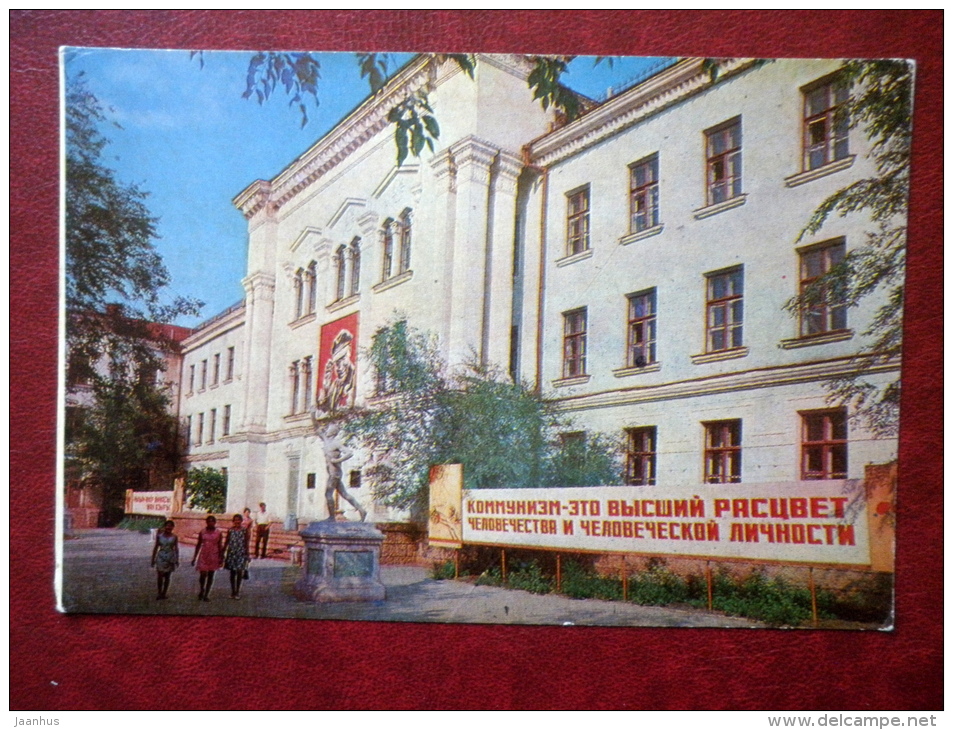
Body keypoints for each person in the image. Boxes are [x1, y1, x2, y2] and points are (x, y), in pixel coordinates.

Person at [319, 422, 366, 522]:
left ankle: (331, 518)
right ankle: (362, 510)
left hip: (334, 473)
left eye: (328, 429)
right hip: (332, 473)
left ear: (332, 432)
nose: (326, 430)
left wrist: (337, 460)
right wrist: (313, 413)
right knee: (344, 494)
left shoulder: (336, 443)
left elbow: (349, 453)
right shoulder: (326, 441)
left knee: (328, 494)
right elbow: (316, 426)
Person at [191, 515, 224, 601]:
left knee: (211, 575)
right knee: (203, 574)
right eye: (209, 521)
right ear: (206, 522)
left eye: (212, 521)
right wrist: (194, 557)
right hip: (204, 554)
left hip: (214, 555)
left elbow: (220, 545)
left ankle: (207, 594)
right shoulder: (202, 532)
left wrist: (221, 557)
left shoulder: (218, 533)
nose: (210, 523)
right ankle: (202, 589)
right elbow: (198, 544)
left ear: (215, 522)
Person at [223, 514, 250, 599]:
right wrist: (222, 552)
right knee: (232, 573)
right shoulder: (230, 530)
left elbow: (246, 543)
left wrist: (247, 554)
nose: (237, 521)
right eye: (235, 520)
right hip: (232, 553)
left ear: (241, 521)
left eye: (238, 520)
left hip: (241, 553)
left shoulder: (244, 530)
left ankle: (237, 591)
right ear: (233, 521)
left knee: (239, 572)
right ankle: (233, 591)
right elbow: (227, 541)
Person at [150, 520, 179, 600]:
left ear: (173, 527)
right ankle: (159, 592)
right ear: (164, 526)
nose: (168, 527)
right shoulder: (159, 536)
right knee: (160, 575)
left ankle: (164, 593)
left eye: (170, 526)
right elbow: (156, 547)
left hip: (170, 557)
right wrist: (153, 559)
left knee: (167, 576)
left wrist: (176, 559)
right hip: (161, 556)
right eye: (167, 526)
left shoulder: (174, 537)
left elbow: (176, 548)